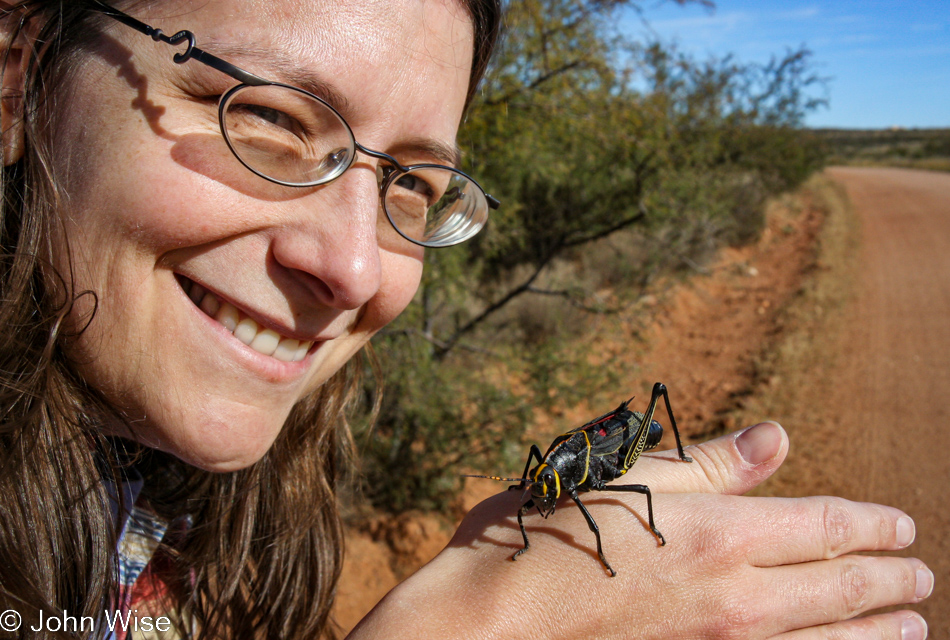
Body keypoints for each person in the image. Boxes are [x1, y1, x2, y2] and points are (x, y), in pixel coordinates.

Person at [0, 0, 931, 639]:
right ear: (20, 71)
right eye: (272, 119)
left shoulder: (162, 499)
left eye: (414, 183)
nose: (354, 267)